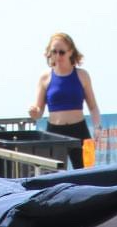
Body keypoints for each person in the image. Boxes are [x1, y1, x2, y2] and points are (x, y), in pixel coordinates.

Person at [29, 31, 101, 170]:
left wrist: (98, 127)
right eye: (54, 52)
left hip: (79, 130)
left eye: (61, 52)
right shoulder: (45, 78)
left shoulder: (82, 75)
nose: (57, 56)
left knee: (86, 172)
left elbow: (93, 107)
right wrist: (33, 112)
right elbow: (38, 111)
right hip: (54, 132)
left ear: (70, 52)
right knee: (53, 173)